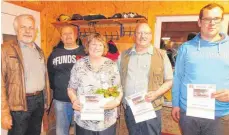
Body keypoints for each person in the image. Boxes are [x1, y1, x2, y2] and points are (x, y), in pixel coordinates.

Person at [172, 3, 229, 135]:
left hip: (219, 115)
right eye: (207, 19)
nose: (212, 23)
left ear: (221, 21)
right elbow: (178, 77)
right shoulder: (186, 48)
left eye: (216, 19)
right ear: (199, 22)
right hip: (189, 113)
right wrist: (175, 104)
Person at [118, 23, 173, 135]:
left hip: (151, 107)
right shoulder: (123, 56)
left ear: (151, 36)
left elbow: (169, 80)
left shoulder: (161, 55)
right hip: (130, 108)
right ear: (134, 35)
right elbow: (115, 79)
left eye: (146, 33)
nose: (143, 36)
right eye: (139, 33)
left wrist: (156, 93)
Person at [1, 14, 51, 135]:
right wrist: (4, 112)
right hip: (19, 104)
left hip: (39, 101)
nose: (28, 31)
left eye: (31, 28)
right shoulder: (5, 49)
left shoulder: (39, 51)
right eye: (23, 27)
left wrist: (46, 101)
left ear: (36, 31)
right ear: (16, 29)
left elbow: (44, 77)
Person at [67, 33, 123, 135]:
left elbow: (118, 89)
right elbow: (71, 88)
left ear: (104, 47)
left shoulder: (111, 65)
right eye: (93, 44)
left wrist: (117, 101)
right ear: (88, 46)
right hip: (84, 120)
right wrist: (74, 100)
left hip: (107, 120)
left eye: (100, 44)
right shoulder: (79, 65)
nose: (97, 47)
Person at [47, 25, 85, 135]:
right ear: (61, 37)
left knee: (82, 130)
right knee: (61, 131)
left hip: (81, 100)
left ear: (76, 35)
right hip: (61, 99)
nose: (68, 36)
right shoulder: (54, 53)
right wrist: (57, 89)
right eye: (64, 34)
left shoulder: (85, 52)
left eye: (70, 33)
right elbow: (50, 73)